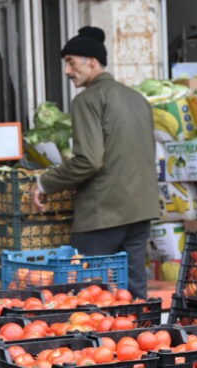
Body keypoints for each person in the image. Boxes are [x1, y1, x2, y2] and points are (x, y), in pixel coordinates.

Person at [31, 26, 160, 300]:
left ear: (92, 62)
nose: (67, 71)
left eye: (71, 62)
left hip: (103, 213)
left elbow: (89, 161)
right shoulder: (138, 99)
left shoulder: (87, 100)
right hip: (140, 210)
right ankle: (141, 337)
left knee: (88, 295)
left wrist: (45, 182)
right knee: (134, 293)